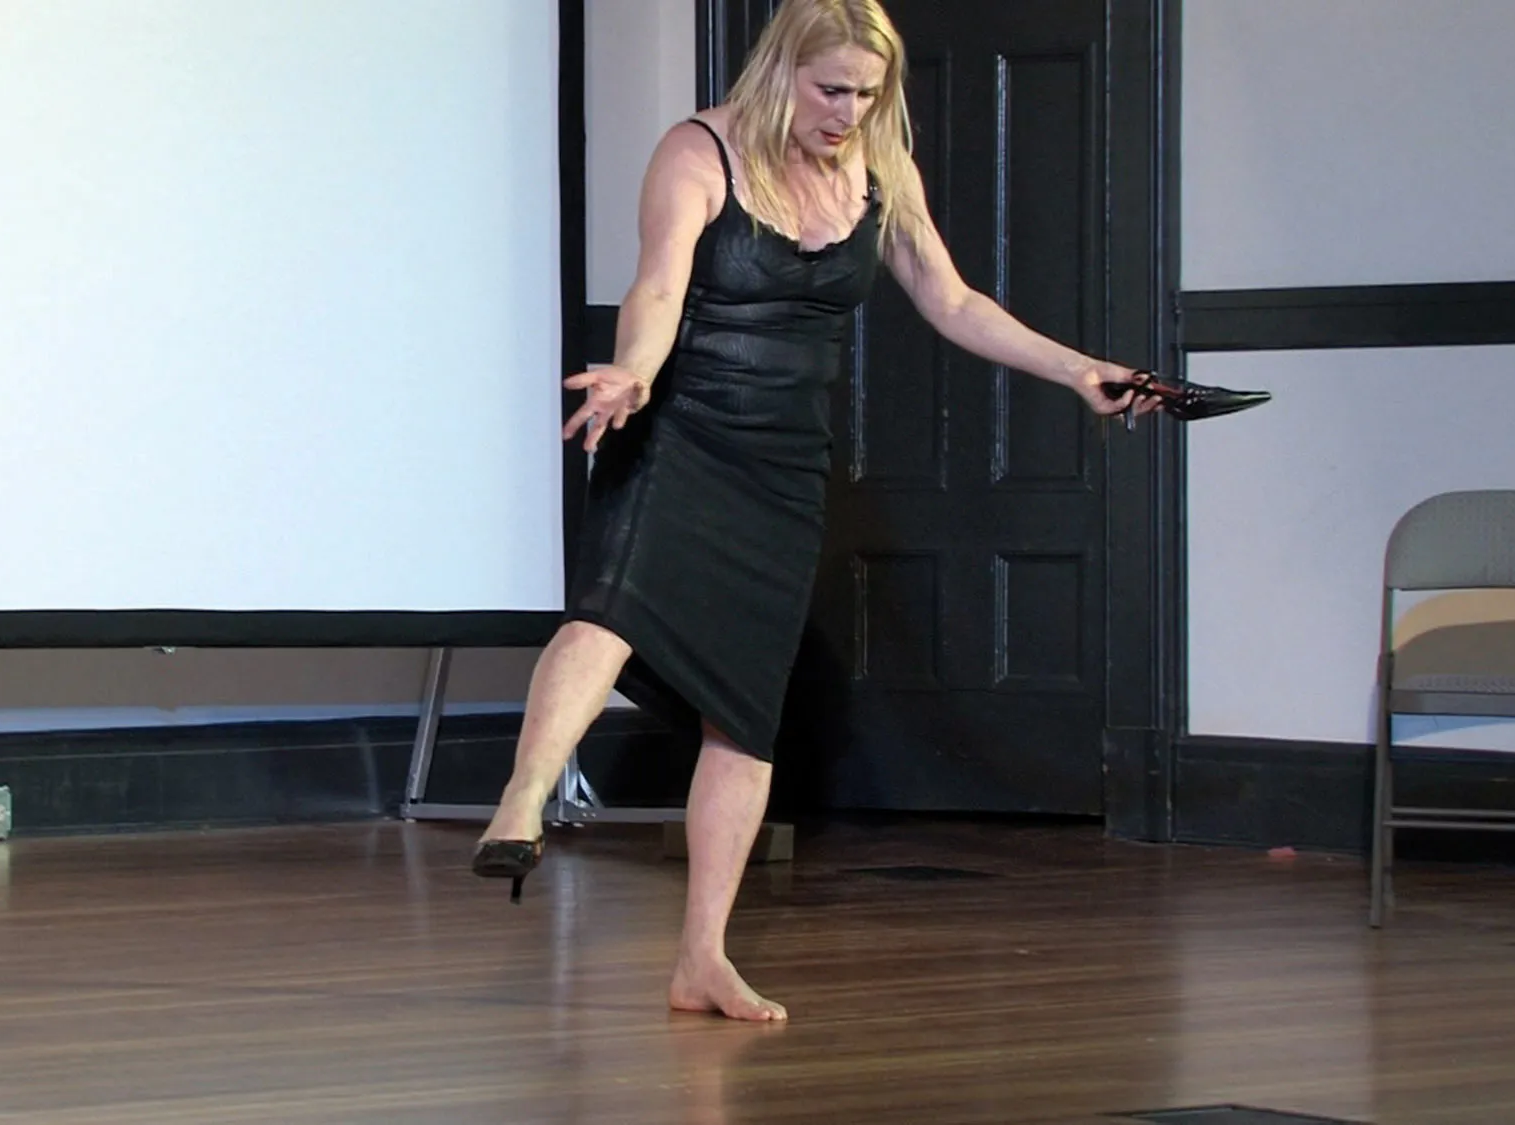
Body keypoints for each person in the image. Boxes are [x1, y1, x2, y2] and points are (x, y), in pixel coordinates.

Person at [471, 0, 1158, 1022]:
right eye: (829, 89)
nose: (847, 112)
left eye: (865, 94)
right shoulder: (698, 150)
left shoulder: (877, 174)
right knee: (611, 610)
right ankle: (523, 798)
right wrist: (630, 374)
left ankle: (700, 957)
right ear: (781, 69)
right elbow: (656, 288)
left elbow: (953, 301)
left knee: (744, 714)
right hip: (678, 431)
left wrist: (1078, 372)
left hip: (783, 464)